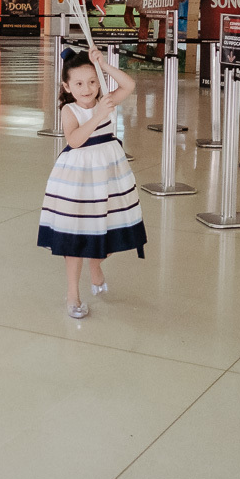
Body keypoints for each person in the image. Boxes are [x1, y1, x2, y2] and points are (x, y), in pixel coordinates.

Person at [37, 47, 146, 319]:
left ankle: (95, 265)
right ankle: (72, 293)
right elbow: (74, 141)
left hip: (109, 174)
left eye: (92, 81)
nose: (87, 89)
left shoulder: (106, 99)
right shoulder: (70, 109)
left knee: (107, 228)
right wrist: (98, 114)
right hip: (78, 178)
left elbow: (129, 84)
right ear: (67, 86)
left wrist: (104, 65)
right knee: (74, 235)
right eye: (79, 84)